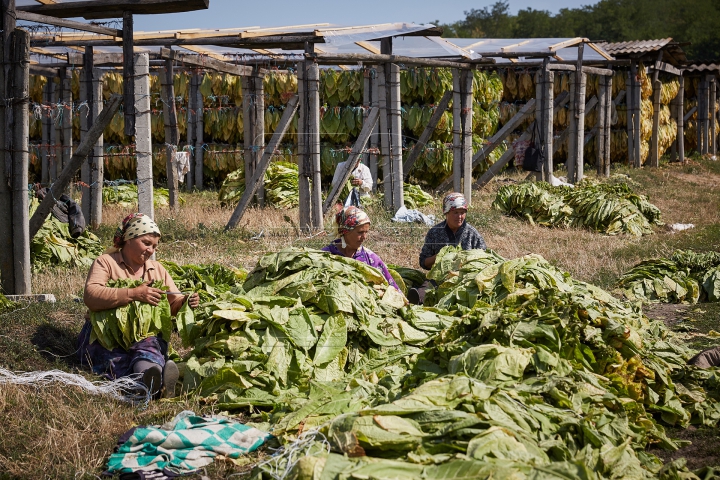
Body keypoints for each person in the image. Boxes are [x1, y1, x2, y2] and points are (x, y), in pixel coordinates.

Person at [77, 213, 200, 399]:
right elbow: (91, 296)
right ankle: (150, 383)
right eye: (146, 243)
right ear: (129, 238)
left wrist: (184, 302)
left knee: (149, 348)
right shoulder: (106, 262)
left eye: (155, 246)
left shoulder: (157, 269)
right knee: (115, 359)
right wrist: (133, 294)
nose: (151, 250)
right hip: (106, 335)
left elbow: (172, 302)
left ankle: (152, 379)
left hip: (143, 334)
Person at [408, 192, 487, 305]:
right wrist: (439, 257)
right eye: (455, 213)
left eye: (462, 212)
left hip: (466, 278)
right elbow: (423, 262)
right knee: (426, 290)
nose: (460, 217)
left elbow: (485, 258)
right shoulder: (435, 232)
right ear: (446, 212)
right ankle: (417, 299)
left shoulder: (472, 234)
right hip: (439, 277)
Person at [322, 206, 400, 291]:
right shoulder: (325, 256)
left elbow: (392, 289)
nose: (364, 237)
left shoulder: (370, 259)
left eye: (366, 232)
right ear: (344, 231)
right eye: (360, 232)